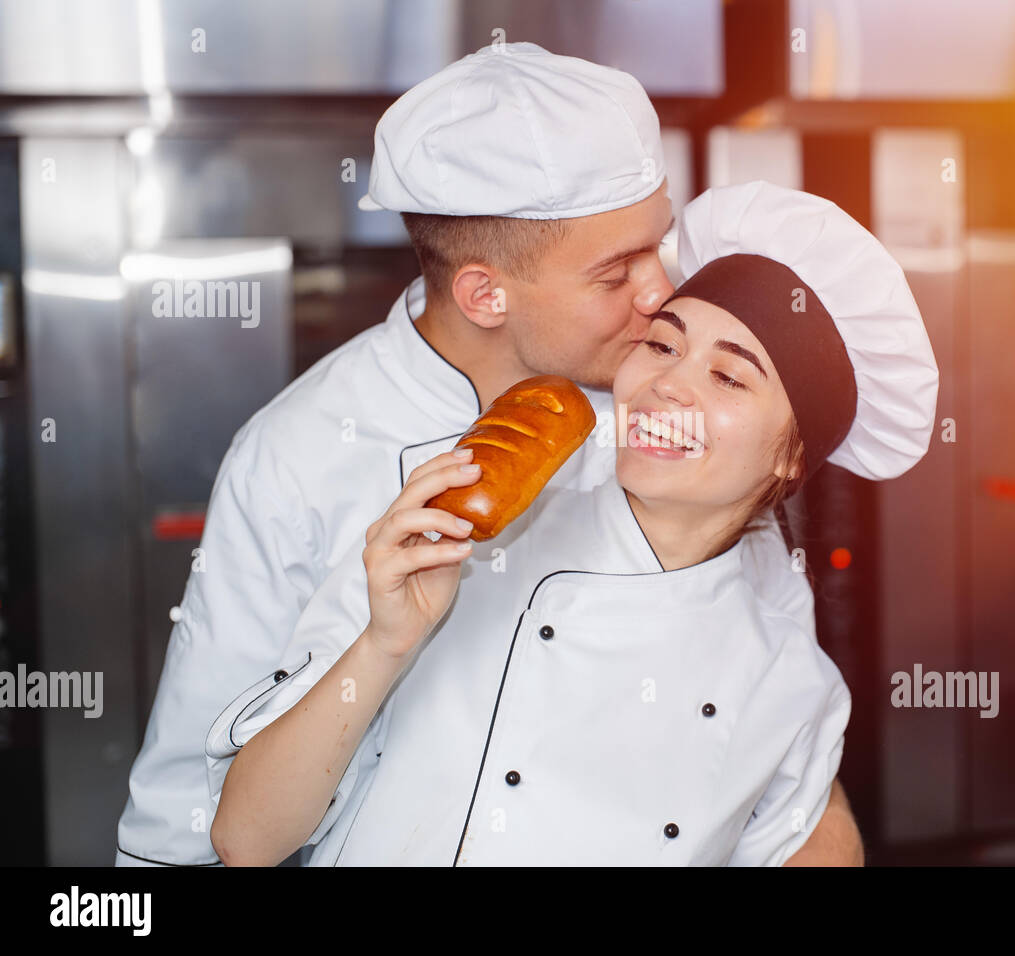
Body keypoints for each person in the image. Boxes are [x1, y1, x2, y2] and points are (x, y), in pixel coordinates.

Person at [114, 43, 864, 866]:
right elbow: (188, 818)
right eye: (617, 272)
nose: (660, 294)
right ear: (484, 294)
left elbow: (769, 722)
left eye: (661, 244)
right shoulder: (296, 458)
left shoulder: (660, 412)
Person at [207, 181, 940, 866]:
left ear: (791, 457)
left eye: (727, 376)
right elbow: (246, 839)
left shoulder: (789, 677)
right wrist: (384, 643)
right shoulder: (451, 536)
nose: (666, 386)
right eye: (661, 344)